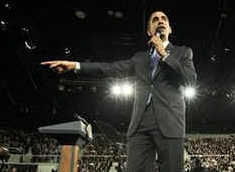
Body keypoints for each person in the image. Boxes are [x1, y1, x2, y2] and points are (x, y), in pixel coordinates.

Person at [41, 11, 197, 172]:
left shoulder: (183, 52)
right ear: (149, 32)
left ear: (170, 29)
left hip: (170, 122)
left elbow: (190, 80)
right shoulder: (139, 58)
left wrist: (163, 53)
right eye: (155, 19)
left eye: (164, 19)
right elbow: (111, 68)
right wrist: (76, 66)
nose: (160, 21)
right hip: (140, 125)